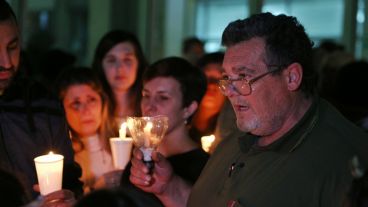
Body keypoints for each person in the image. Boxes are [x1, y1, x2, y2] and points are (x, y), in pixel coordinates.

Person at [129, 12, 368, 207]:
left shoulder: (345, 163)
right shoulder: (237, 141)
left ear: (292, 77)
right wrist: (169, 187)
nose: (229, 91)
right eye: (227, 79)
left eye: (244, 77)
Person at [0, 0, 83, 206]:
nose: (7, 62)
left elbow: (71, 181)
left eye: (12, 47)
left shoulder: (43, 103)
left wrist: (71, 198)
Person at [120, 57, 209, 206]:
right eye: (146, 95)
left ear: (189, 108)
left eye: (163, 98)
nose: (149, 106)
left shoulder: (206, 169)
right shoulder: (137, 164)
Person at [57, 67, 120, 193]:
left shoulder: (123, 143)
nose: (86, 110)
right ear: (62, 109)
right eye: (76, 103)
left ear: (102, 102)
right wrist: (96, 189)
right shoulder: (61, 160)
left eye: (91, 100)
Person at [92, 30, 147, 127]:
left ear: (139, 63)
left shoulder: (150, 110)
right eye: (111, 60)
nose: (120, 68)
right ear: (101, 65)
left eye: (127, 60)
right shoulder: (91, 114)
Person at [190, 52, 226, 144]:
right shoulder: (181, 122)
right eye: (207, 78)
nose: (212, 86)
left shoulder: (231, 130)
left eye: (220, 79)